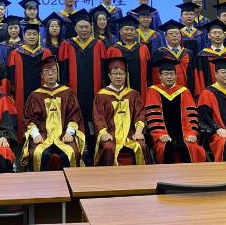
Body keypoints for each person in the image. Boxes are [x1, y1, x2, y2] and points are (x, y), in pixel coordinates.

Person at [58, 9, 107, 163]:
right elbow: (63, 71)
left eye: (87, 27)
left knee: (93, 123)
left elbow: (104, 70)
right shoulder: (67, 44)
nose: (84, 30)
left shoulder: (98, 44)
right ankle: (76, 155)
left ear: (91, 27)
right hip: (74, 93)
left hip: (94, 93)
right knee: (75, 121)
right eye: (81, 27)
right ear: (75, 28)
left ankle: (93, 154)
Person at [22, 56, 85, 171]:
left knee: (71, 153)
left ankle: (70, 182)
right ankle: (41, 182)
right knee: (39, 154)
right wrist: (35, 135)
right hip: (43, 135)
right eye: (47, 71)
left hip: (64, 135)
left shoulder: (68, 93)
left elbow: (75, 116)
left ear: (57, 73)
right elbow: (29, 119)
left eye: (53, 71)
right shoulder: (35, 95)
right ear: (42, 75)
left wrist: (69, 133)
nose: (50, 74)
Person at [146, 59, 206, 163]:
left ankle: (192, 173)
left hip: (185, 134)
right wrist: (160, 134)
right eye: (166, 74)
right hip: (163, 134)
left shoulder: (184, 91)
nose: (169, 77)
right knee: (164, 147)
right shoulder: (153, 91)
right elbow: (153, 116)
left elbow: (191, 116)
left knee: (191, 146)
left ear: (176, 75)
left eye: (172, 74)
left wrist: (191, 133)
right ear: (159, 76)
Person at [93, 57, 150, 166]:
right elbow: (98, 118)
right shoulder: (101, 96)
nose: (118, 76)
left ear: (125, 75)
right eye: (115, 73)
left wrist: (138, 132)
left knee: (141, 146)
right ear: (109, 76)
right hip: (110, 134)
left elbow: (140, 114)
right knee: (108, 147)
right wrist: (104, 133)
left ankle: (142, 175)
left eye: (121, 73)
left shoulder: (133, 94)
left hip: (130, 134)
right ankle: (108, 175)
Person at [7, 23, 54, 139]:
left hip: (42, 91)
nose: (32, 36)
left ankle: (43, 135)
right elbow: (11, 77)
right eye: (29, 34)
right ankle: (23, 137)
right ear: (24, 36)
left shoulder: (45, 52)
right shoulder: (15, 53)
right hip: (21, 92)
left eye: (34, 34)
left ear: (38, 36)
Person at [150, 20, 200, 97]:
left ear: (181, 35)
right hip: (165, 94)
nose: (174, 35)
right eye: (170, 33)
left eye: (177, 33)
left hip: (187, 93)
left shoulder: (189, 53)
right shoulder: (159, 53)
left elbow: (195, 75)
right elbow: (155, 76)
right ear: (165, 37)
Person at [107, 14, 150, 101]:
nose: (129, 32)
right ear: (120, 31)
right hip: (119, 92)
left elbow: (148, 71)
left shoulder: (143, 48)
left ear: (135, 32)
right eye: (126, 29)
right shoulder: (113, 49)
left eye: (132, 30)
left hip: (140, 90)